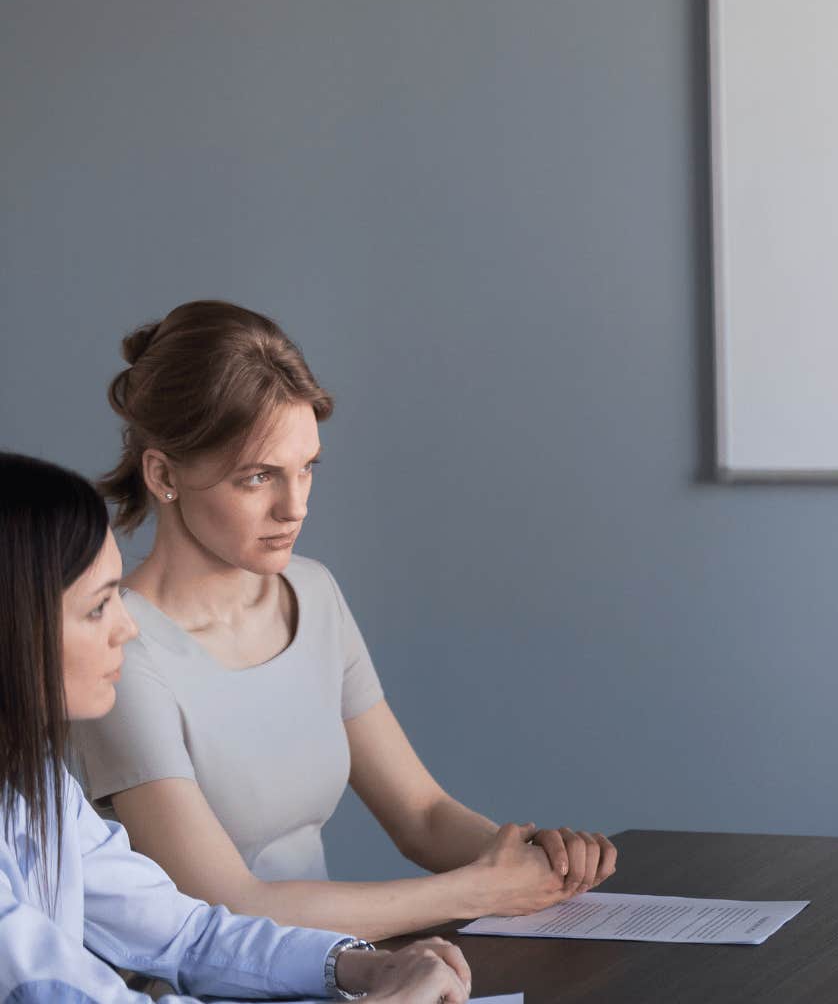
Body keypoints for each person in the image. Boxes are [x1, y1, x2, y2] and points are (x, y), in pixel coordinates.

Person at [69, 300, 617, 942]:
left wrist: (533, 859)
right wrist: (477, 889)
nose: (294, 506)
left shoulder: (314, 592)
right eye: (257, 477)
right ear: (163, 474)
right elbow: (224, 905)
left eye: (307, 468)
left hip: (338, 973)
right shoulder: (118, 649)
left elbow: (423, 816)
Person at [0, 450, 471, 1002]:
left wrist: (354, 966)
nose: (127, 627)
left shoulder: (37, 788)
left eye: (308, 468)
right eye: (99, 607)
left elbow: (185, 933)